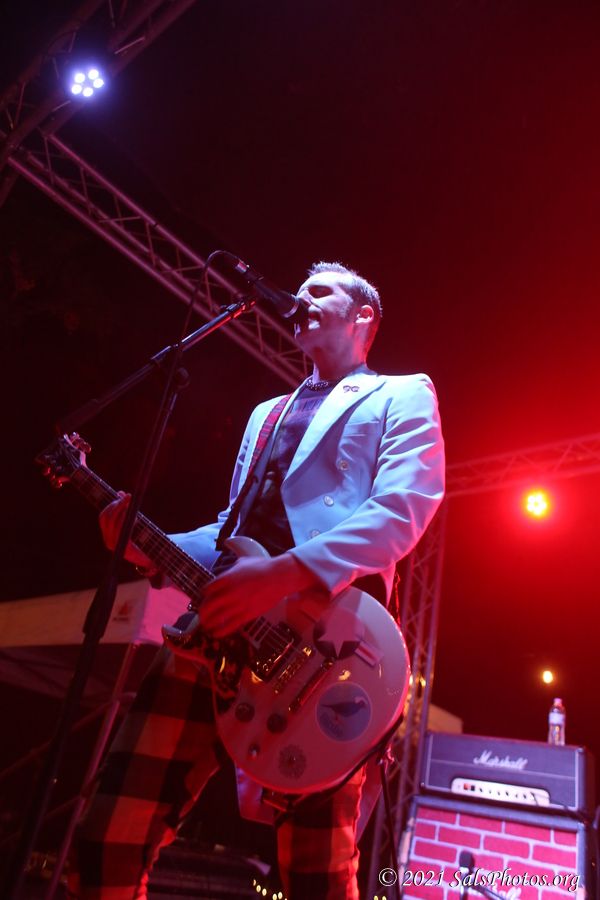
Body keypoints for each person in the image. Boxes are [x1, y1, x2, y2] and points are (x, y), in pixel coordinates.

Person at [71, 261, 445, 899]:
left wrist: (284, 574)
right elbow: (232, 529)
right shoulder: (267, 413)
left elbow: (402, 507)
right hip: (216, 633)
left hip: (323, 646)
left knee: (316, 878)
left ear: (364, 317)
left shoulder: (402, 393)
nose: (301, 298)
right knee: (108, 841)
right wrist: (150, 545)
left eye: (319, 290)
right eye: (300, 291)